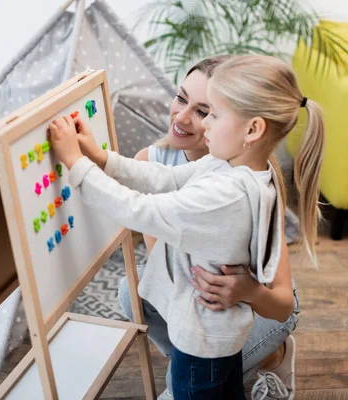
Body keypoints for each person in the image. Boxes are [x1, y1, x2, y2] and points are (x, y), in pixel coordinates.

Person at [49, 54, 324, 399]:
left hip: (201, 342)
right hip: (213, 335)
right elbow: (168, 178)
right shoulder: (232, 168)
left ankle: (271, 359)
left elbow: (138, 209)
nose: (205, 125)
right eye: (184, 101)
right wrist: (100, 157)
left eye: (213, 114)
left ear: (252, 129)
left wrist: (75, 163)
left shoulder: (226, 194)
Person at [120, 55, 300, 400]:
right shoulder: (153, 162)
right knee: (133, 291)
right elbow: (172, 272)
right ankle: (192, 372)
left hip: (260, 307)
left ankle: (274, 355)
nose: (183, 118)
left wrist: (247, 291)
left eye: (205, 112)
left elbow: (281, 302)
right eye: (181, 97)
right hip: (204, 302)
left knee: (198, 370)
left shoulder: (253, 182)